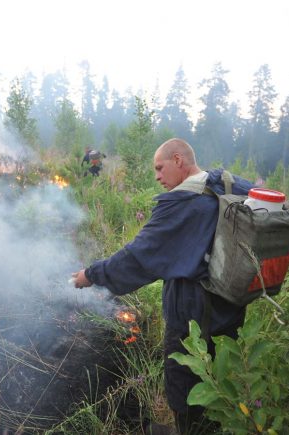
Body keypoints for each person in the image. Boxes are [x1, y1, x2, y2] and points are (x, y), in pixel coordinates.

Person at [72, 138, 253, 434]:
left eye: (160, 168)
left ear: (179, 160)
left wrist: (90, 276)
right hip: (230, 314)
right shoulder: (227, 186)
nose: (157, 177)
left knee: (185, 392)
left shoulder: (182, 204)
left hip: (192, 322)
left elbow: (138, 258)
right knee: (220, 386)